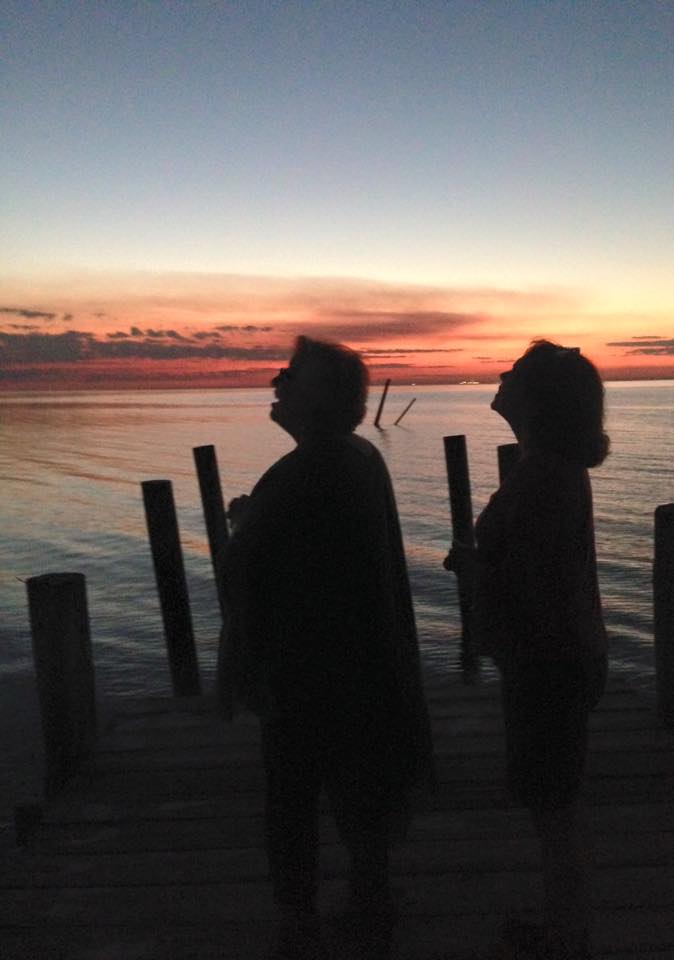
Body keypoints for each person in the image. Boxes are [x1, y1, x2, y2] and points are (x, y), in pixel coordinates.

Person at [218, 336, 434, 959]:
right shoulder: (358, 457)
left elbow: (250, 569)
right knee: (358, 790)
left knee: (292, 799)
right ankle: (371, 903)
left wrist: (243, 526)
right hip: (356, 663)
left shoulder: (307, 470)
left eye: (293, 375)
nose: (277, 381)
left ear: (324, 397)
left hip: (307, 672)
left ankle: (299, 924)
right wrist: (257, 518)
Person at [445, 340, 609, 960]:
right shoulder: (546, 466)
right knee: (555, 804)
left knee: (554, 809)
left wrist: (474, 570)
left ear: (536, 400)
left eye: (512, 372)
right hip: (558, 658)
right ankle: (565, 928)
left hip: (550, 664)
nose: (500, 374)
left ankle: (568, 938)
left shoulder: (543, 476)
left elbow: (535, 586)